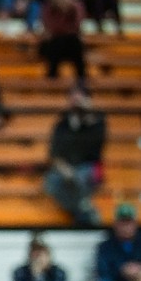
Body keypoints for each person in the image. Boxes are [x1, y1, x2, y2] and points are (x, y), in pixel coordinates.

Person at [44, 85, 105, 227]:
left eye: (79, 100)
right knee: (50, 183)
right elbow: (54, 153)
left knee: (80, 177)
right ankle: (83, 208)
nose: (76, 103)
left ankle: (79, 210)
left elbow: (96, 149)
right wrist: (64, 168)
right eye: (73, 100)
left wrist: (87, 118)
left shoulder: (97, 123)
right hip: (65, 168)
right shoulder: (62, 125)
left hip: (88, 166)